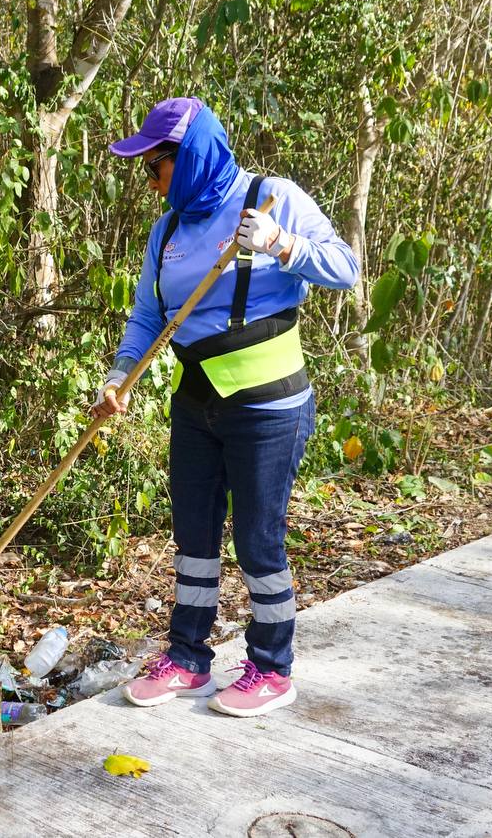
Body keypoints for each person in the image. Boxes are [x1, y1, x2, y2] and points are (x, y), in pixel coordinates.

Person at [92, 97, 358, 718]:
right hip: (195, 402)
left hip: (268, 402)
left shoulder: (273, 196)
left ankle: (271, 666)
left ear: (187, 159)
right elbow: (148, 316)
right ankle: (187, 656)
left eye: (154, 167)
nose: (151, 182)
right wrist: (119, 377)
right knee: (193, 536)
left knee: (257, 539)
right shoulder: (168, 230)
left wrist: (281, 244)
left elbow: (345, 270)